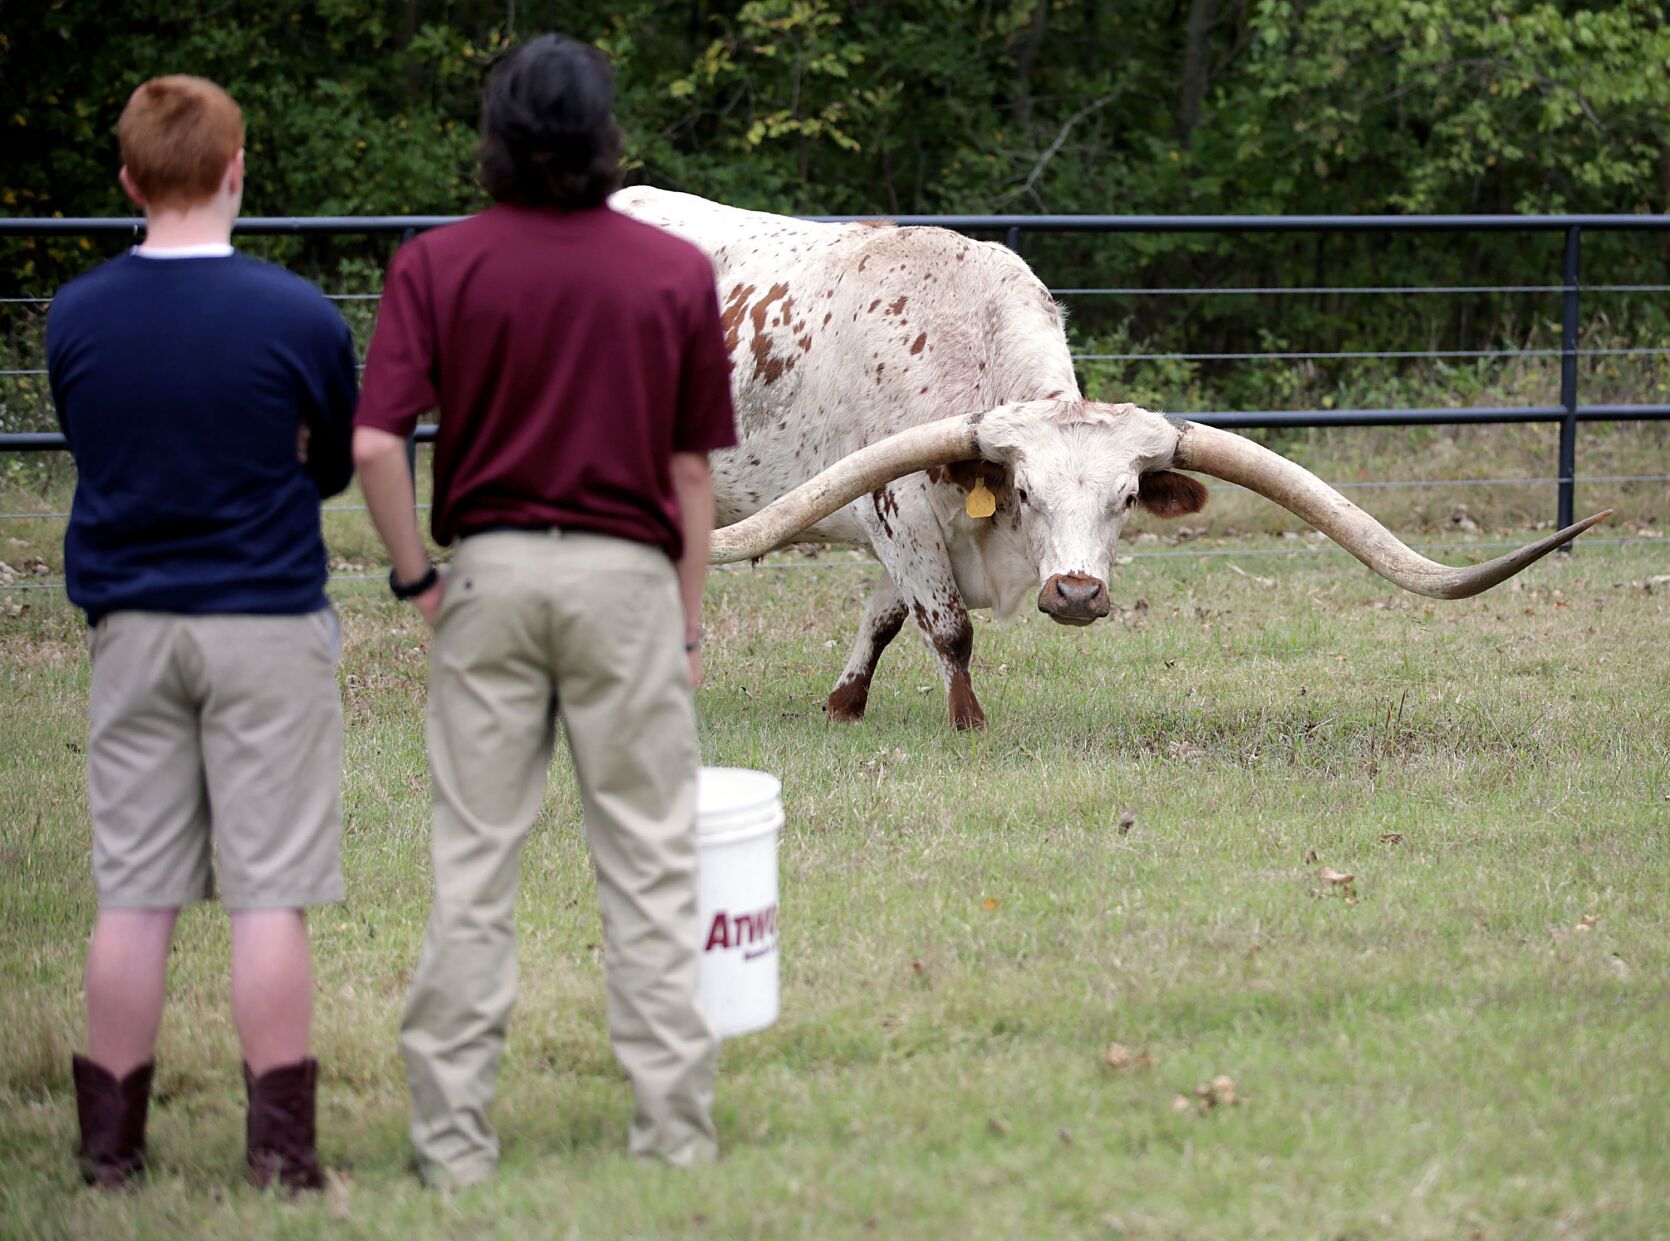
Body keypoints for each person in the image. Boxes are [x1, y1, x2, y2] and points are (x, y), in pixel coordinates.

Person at [352, 34, 736, 1185]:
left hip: (492, 571)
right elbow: (690, 477)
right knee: (650, 858)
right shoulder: (671, 273)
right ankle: (673, 1131)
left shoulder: (436, 263)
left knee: (474, 863)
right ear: (605, 135)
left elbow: (377, 440)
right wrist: (682, 617)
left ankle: (453, 1142)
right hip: (625, 580)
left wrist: (420, 573)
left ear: (496, 137)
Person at [46, 75, 357, 1191]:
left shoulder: (74, 315)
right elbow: (327, 465)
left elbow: (94, 440)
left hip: (130, 626)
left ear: (129, 180)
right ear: (237, 170)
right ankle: (282, 1156)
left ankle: (108, 1154)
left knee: (134, 895)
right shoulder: (299, 316)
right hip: (267, 621)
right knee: (267, 893)